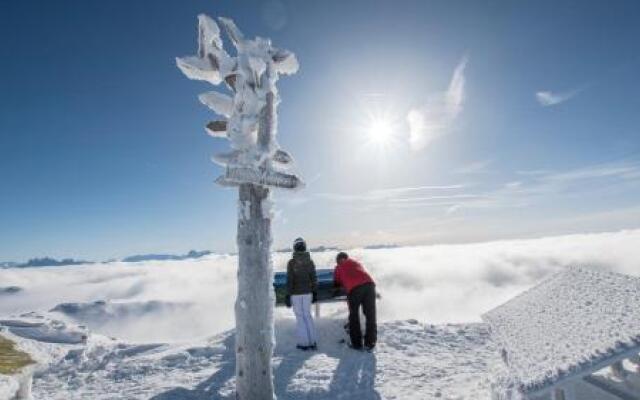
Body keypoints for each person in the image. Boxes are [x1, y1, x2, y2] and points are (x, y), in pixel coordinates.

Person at [333, 252, 377, 351]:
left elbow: (336, 282)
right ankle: (370, 343)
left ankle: (357, 344)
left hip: (354, 289)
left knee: (354, 316)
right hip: (370, 285)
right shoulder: (356, 262)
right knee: (371, 315)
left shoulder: (339, 267)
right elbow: (362, 274)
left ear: (338, 260)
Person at [285, 237, 318, 351]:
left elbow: (290, 280)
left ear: (294, 248)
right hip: (308, 292)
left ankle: (304, 343)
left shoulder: (292, 262)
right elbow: (313, 277)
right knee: (307, 316)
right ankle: (313, 342)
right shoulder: (310, 261)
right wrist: (314, 291)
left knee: (300, 317)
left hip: (296, 293)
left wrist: (288, 295)